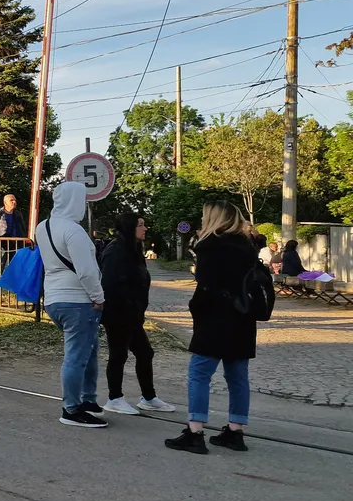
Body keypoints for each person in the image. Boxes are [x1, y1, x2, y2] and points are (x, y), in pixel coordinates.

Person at [165, 201, 260, 455]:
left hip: (215, 318)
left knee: (199, 374)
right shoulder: (248, 246)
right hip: (243, 317)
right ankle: (235, 430)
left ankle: (195, 432)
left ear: (214, 219)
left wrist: (196, 308)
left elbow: (206, 287)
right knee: (238, 376)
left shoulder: (209, 247)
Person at [35, 181, 108, 429]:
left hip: (54, 298)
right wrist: (99, 297)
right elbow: (86, 271)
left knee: (88, 348)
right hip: (78, 301)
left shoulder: (42, 227)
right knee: (77, 355)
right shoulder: (74, 232)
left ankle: (87, 400)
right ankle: (72, 409)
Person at [99, 212, 176, 415]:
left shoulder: (133, 249)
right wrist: (126, 306)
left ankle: (148, 398)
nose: (145, 228)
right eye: (140, 225)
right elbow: (110, 285)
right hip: (118, 313)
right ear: (129, 227)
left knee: (144, 352)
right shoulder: (116, 251)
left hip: (132, 314)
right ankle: (114, 398)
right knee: (118, 355)